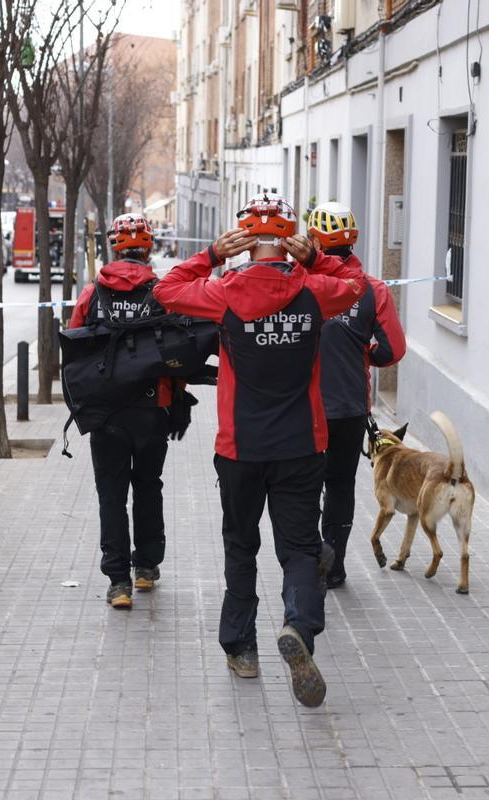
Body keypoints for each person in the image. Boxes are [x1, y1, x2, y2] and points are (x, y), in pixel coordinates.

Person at [153, 193, 364, 708]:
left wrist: (212, 255)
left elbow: (165, 289)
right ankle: (298, 626)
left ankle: (241, 649)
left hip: (240, 448)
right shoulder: (314, 289)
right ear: (290, 237)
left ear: (244, 239)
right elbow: (359, 287)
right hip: (301, 444)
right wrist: (315, 257)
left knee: (240, 543)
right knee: (299, 548)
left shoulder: (222, 291)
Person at [68, 214, 191, 610]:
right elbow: (178, 351)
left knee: (111, 495)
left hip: (106, 414)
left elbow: (73, 351)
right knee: (148, 486)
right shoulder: (162, 291)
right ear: (149, 248)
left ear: (114, 247)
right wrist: (178, 401)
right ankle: (146, 568)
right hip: (152, 407)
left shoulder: (92, 294)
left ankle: (117, 581)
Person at [307, 202, 406, 589]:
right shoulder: (371, 289)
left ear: (314, 240)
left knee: (303, 484)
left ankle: (307, 556)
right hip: (348, 407)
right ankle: (335, 564)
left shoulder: (298, 283)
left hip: (302, 408)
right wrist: (362, 352)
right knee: (340, 485)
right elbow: (392, 350)